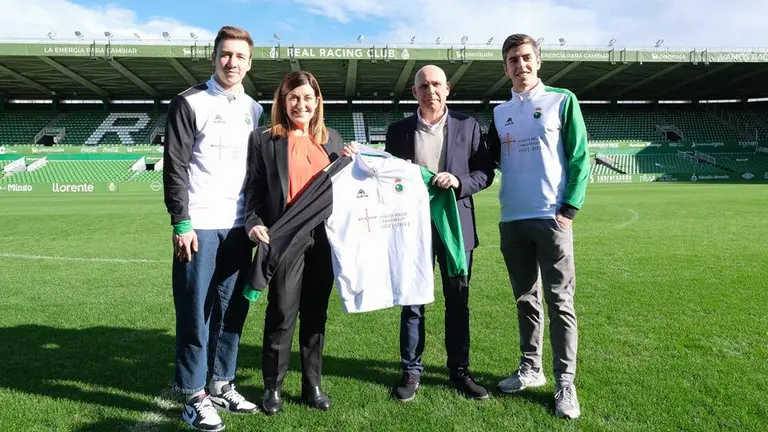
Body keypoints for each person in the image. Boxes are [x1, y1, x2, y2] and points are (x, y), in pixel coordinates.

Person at [163, 26, 263, 431]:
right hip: (200, 226)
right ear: (214, 57)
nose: (231, 62)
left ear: (249, 63)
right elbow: (175, 165)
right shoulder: (189, 102)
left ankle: (221, 382)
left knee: (232, 309)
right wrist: (181, 221)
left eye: (240, 56)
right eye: (225, 54)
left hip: (239, 227)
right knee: (195, 311)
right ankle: (192, 394)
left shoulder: (254, 109)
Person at [485, 33, 590, 419]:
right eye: (513, 60)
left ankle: (565, 383)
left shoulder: (562, 100)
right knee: (525, 299)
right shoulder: (499, 113)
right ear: (506, 67)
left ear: (538, 61)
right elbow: (487, 160)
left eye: (526, 57)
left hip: (551, 218)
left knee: (560, 301)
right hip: (512, 219)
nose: (521, 65)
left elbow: (579, 156)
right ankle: (531, 368)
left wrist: (569, 209)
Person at [244, 71, 357, 415]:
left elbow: (347, 188)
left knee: (315, 313)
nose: (301, 104)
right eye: (293, 97)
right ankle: (272, 386)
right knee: (282, 310)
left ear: (317, 102)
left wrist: (353, 160)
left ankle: (312, 384)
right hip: (285, 237)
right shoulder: (264, 139)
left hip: (324, 239)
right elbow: (253, 189)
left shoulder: (333, 140)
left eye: (308, 98)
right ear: (282, 100)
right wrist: (253, 222)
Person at [385, 65, 495, 402]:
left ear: (447, 89)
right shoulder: (398, 131)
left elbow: (485, 172)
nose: (430, 91)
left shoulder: (468, 125)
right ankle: (411, 370)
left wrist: (459, 181)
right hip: (412, 229)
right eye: (423, 86)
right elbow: (387, 178)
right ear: (414, 92)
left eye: (436, 84)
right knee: (412, 303)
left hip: (456, 228)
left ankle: (459, 370)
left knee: (458, 302)